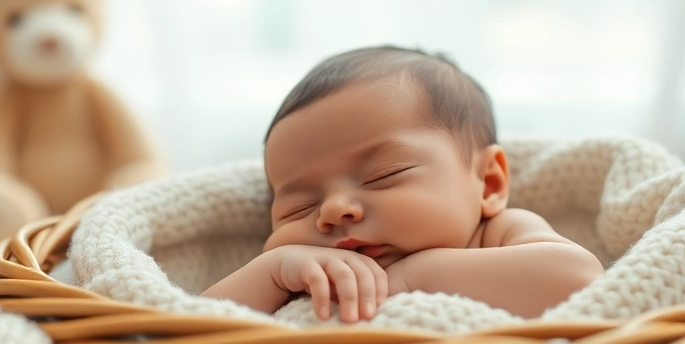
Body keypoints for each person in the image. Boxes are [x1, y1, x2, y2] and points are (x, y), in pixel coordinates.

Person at [202, 46, 603, 322]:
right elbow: (185, 329)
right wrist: (273, 272)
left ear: (488, 183)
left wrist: (416, 275)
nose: (333, 210)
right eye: (298, 206)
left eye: (383, 175)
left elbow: (579, 278)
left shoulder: (500, 233)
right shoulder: (301, 276)